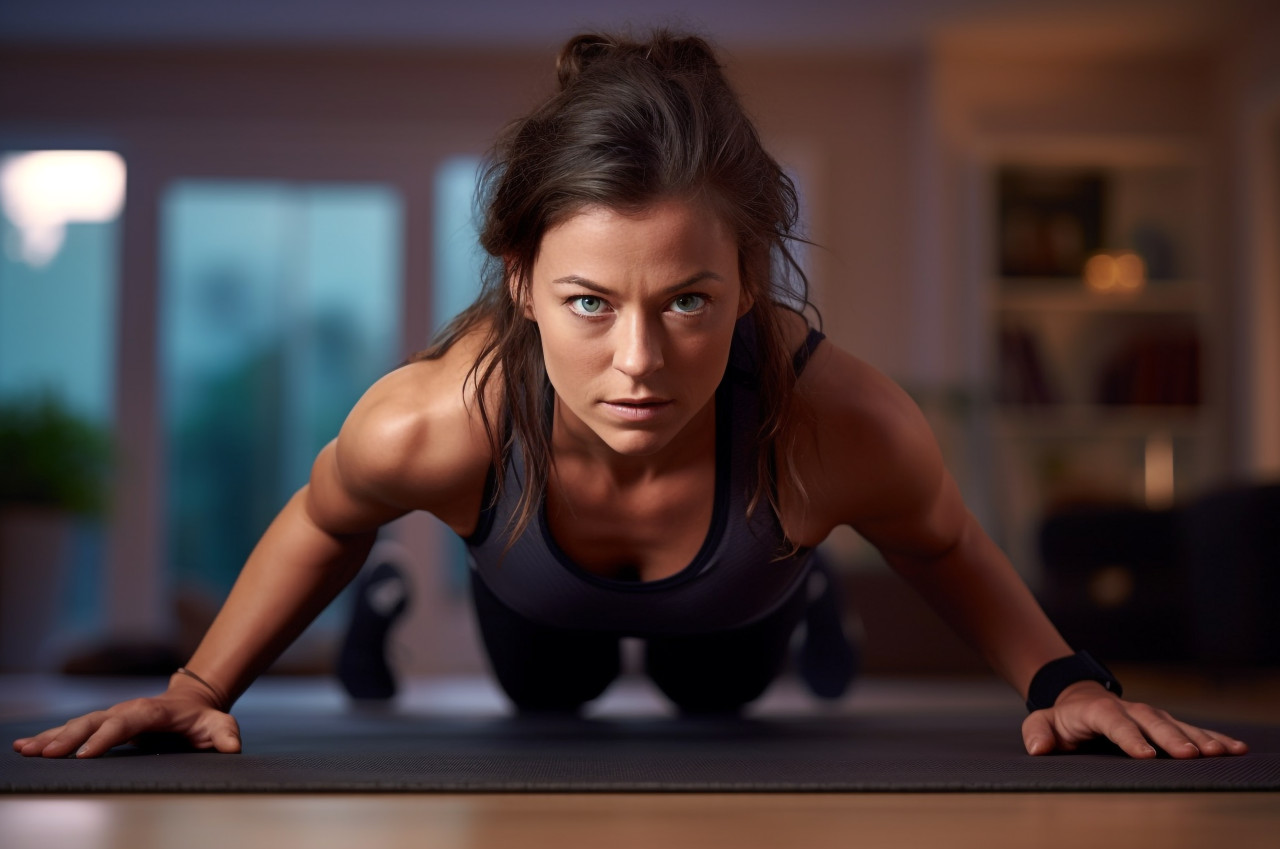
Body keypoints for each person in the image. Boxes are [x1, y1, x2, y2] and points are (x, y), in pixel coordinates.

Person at [14, 29, 1247, 761]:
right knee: (545, 695)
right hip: (535, 606)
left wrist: (1067, 684)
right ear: (520, 278)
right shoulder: (434, 417)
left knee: (717, 697)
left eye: (689, 303)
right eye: (590, 303)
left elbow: (942, 542)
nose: (639, 362)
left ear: (752, 278)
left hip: (733, 615)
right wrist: (194, 692)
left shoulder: (839, 425)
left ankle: (805, 597)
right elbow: (327, 518)